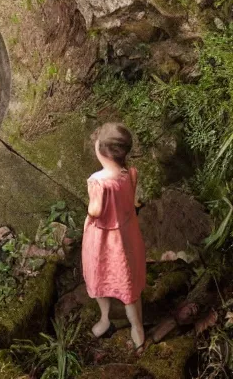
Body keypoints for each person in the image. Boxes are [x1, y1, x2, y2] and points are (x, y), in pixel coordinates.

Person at [82, 122, 146, 353]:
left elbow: (95, 211)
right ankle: (137, 329)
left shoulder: (98, 181)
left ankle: (105, 318)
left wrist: (92, 199)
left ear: (101, 149)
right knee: (128, 281)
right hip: (127, 237)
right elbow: (132, 202)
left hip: (103, 240)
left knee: (100, 276)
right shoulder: (130, 173)